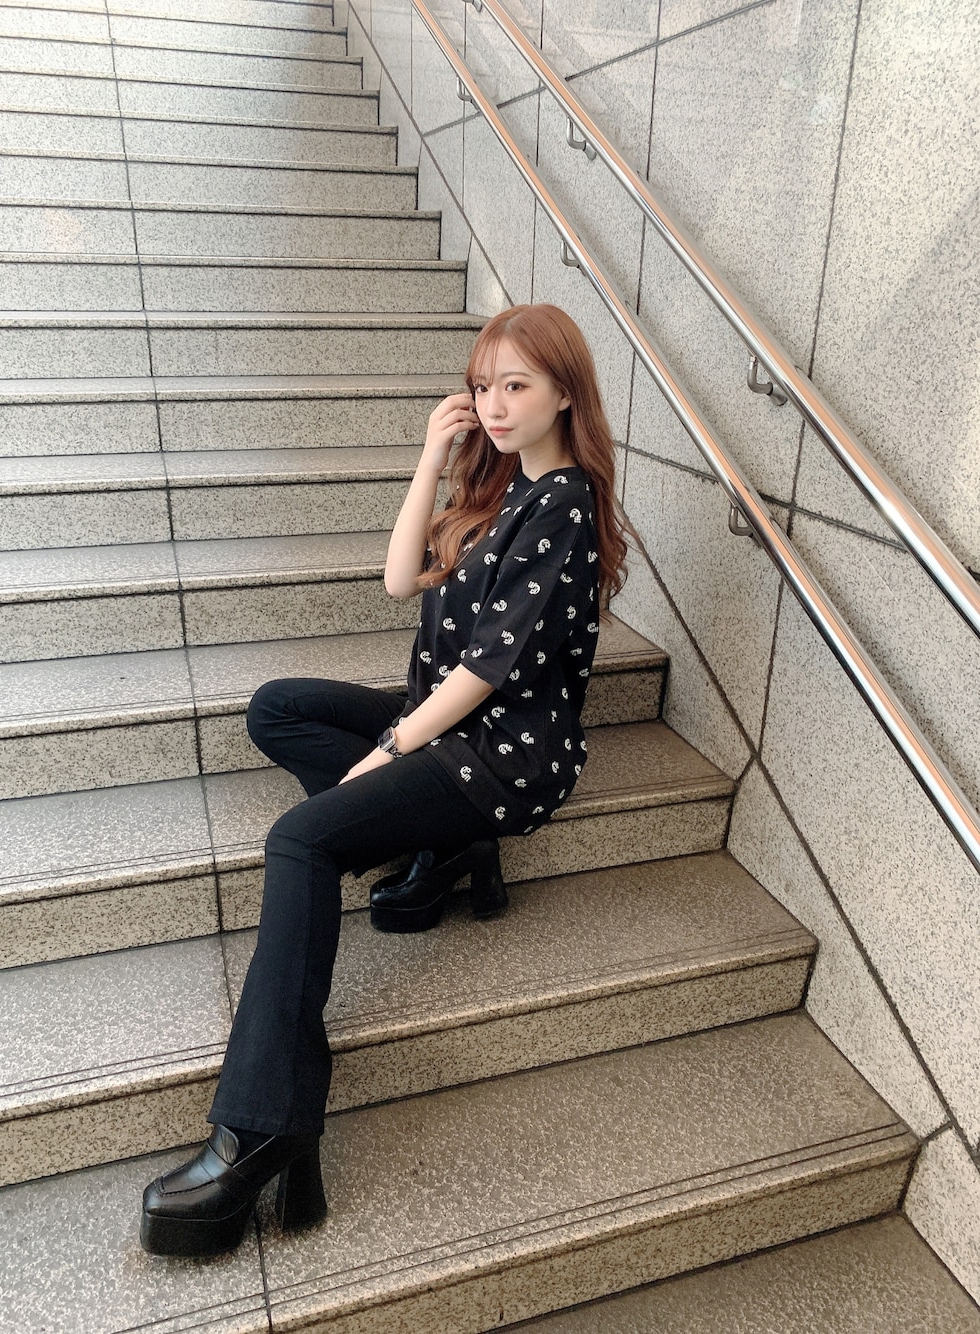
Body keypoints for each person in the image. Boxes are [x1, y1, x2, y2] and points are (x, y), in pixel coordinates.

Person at [139, 302, 635, 1257]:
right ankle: (440, 843)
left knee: (303, 839)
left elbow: (486, 674)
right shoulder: (505, 488)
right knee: (279, 707)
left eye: (517, 385)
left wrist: (389, 751)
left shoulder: (564, 505)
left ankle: (262, 1126)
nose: (494, 404)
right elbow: (399, 580)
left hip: (500, 754)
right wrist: (431, 455)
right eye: (483, 386)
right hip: (445, 723)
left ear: (566, 393)